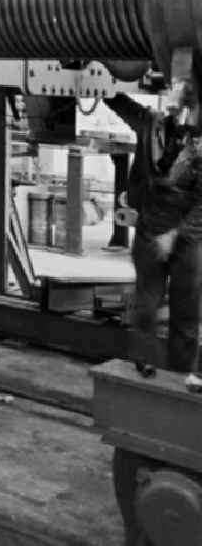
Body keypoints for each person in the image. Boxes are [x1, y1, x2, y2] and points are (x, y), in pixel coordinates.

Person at [105, 92, 202, 375]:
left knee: (186, 314)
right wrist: (95, 74)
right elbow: (122, 104)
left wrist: (175, 235)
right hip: (151, 228)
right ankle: (143, 364)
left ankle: (180, 374)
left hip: (190, 237)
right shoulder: (151, 123)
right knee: (146, 306)